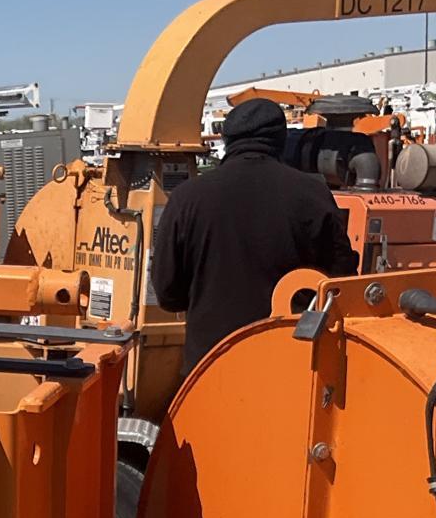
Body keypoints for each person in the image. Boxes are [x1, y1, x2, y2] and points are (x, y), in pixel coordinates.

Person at [150, 97, 358, 373]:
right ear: (281, 139)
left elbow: (167, 293)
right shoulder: (313, 195)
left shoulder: (188, 198)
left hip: (209, 369)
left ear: (227, 139)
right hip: (291, 366)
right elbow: (341, 283)